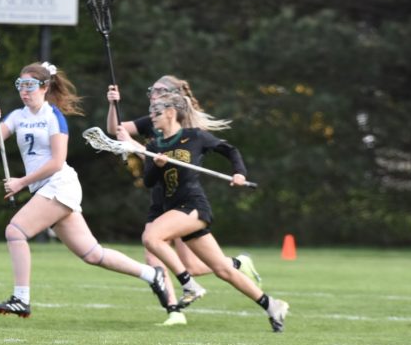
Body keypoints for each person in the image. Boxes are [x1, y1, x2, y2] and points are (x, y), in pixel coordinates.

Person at [0, 61, 170, 318]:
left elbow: (57, 161)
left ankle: (21, 298)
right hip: (46, 190)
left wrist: (21, 182)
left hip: (60, 184)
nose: (24, 91)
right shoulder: (16, 116)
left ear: (45, 87)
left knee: (15, 231)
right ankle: (152, 274)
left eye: (30, 86)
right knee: (92, 254)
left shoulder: (53, 117)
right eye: (20, 86)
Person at [113, 91, 289, 332]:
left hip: (193, 205)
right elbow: (150, 181)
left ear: (171, 113)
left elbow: (230, 150)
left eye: (156, 112)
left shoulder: (195, 137)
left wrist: (239, 173)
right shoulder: (154, 146)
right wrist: (156, 163)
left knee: (151, 237)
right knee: (223, 269)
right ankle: (272, 305)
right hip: (174, 209)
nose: (151, 117)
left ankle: (189, 285)